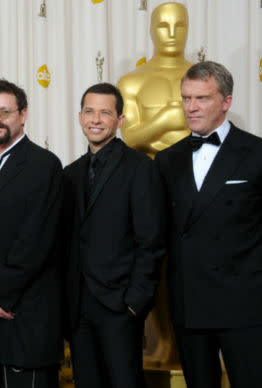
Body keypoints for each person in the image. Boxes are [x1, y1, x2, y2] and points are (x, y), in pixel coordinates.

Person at [155, 61, 262, 388]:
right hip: (189, 304)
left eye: (201, 98)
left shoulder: (256, 153)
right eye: (186, 98)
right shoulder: (167, 159)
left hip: (245, 305)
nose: (191, 107)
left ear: (226, 101)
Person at [63, 83, 165, 388]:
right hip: (78, 309)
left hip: (120, 306)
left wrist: (135, 302)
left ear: (120, 119)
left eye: (105, 113)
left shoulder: (140, 168)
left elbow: (152, 240)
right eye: (90, 112)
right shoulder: (69, 174)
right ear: (80, 117)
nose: (96, 119)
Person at [0, 79, 64, 388]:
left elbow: (37, 241)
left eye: (5, 112)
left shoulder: (44, 165)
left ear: (23, 115)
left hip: (29, 315)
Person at [118, 1, 192, 158]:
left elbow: (215, 131)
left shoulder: (206, 80)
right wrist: (164, 120)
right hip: (149, 172)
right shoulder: (131, 82)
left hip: (198, 173)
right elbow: (130, 138)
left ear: (187, 30)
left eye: (179, 26)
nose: (172, 34)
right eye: (163, 26)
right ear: (151, 31)